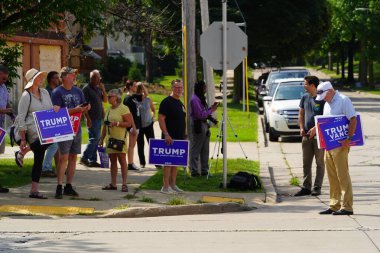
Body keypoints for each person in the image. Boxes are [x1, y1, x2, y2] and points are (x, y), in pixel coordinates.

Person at [316, 81, 356, 216]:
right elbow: (325, 122)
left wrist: (348, 139)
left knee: (343, 175)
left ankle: (347, 206)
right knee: (332, 176)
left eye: (325, 96)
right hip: (329, 145)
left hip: (341, 144)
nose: (324, 99)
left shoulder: (344, 100)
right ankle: (334, 205)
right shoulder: (327, 103)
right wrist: (313, 129)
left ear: (331, 91)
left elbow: (353, 119)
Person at [52, 66, 90, 199]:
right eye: (72, 74)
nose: (74, 76)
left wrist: (86, 109)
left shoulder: (78, 91)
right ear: (65, 77)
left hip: (77, 127)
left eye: (74, 74)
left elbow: (82, 108)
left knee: (74, 157)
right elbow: (57, 113)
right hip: (64, 128)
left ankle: (69, 185)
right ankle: (59, 186)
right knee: (63, 157)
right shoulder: (57, 92)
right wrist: (76, 110)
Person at [16, 68, 53, 199]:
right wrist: (23, 139)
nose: (42, 78)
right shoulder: (26, 96)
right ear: (32, 80)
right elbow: (21, 118)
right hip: (31, 128)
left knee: (39, 158)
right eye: (39, 77)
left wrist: (56, 109)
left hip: (44, 127)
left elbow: (50, 109)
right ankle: (24, 151)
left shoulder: (45, 93)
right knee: (50, 139)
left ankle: (34, 190)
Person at [295, 76, 325, 197]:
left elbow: (326, 118)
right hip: (306, 136)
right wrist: (301, 127)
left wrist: (316, 129)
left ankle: (317, 187)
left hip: (319, 136)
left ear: (313, 85)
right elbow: (301, 114)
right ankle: (306, 187)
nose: (304, 86)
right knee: (306, 162)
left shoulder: (322, 99)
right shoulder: (304, 97)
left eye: (306, 84)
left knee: (320, 162)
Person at [99, 89, 133, 192]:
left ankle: (124, 184)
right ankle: (113, 184)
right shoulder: (109, 109)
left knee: (122, 160)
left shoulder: (123, 108)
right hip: (110, 140)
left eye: (110, 96)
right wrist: (102, 139)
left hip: (120, 139)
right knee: (112, 161)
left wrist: (117, 123)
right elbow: (105, 125)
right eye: (108, 97)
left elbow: (129, 123)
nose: (108, 98)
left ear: (117, 98)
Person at [158, 79, 186, 194]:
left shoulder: (180, 103)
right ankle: (165, 187)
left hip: (179, 138)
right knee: (168, 163)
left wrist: (184, 135)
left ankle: (173, 185)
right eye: (177, 87)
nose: (179, 89)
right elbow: (161, 119)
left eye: (181, 87)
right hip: (169, 138)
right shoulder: (166, 102)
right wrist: (166, 134)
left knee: (176, 163)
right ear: (172, 88)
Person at [189, 80, 218, 177]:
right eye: (204, 87)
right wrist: (211, 111)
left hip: (205, 125)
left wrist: (211, 109)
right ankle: (194, 170)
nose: (205, 89)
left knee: (205, 149)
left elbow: (204, 111)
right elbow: (199, 115)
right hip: (198, 125)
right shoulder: (195, 99)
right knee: (196, 148)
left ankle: (205, 170)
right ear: (200, 88)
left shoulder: (200, 98)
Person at [80, 70, 107, 167]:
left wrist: (103, 90)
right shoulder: (86, 89)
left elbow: (104, 101)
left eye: (99, 78)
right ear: (91, 79)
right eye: (97, 78)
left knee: (96, 138)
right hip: (91, 118)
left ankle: (93, 160)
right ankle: (84, 158)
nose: (99, 80)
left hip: (99, 117)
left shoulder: (98, 88)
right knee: (95, 138)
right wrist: (88, 119)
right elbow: (84, 105)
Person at [41, 71, 60, 178]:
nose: (59, 80)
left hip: (56, 121)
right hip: (49, 121)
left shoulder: (57, 91)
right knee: (53, 145)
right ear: (52, 79)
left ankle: (58, 168)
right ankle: (46, 168)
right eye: (57, 78)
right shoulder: (47, 92)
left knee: (57, 146)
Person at [123, 80, 143, 171]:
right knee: (131, 145)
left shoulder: (134, 97)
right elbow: (129, 114)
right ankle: (130, 164)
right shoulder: (127, 99)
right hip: (133, 125)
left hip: (137, 123)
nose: (136, 87)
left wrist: (141, 85)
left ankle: (131, 163)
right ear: (130, 87)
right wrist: (133, 127)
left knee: (133, 145)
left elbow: (145, 95)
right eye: (134, 86)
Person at [0, 64, 14, 193]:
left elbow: (7, 102)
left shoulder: (3, 88)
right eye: (3, 78)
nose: (5, 81)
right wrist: (4, 110)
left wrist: (11, 113)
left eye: (6, 79)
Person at [136, 82, 155, 168]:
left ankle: (156, 161)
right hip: (139, 126)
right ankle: (142, 162)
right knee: (140, 144)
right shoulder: (136, 100)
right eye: (139, 90)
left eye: (142, 90)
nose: (141, 92)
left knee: (152, 143)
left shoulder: (148, 99)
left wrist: (153, 117)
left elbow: (153, 110)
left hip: (148, 124)